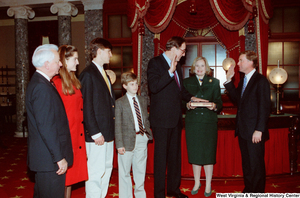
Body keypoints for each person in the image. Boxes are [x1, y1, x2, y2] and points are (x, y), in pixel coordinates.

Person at [147, 36, 204, 198]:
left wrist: (193, 98)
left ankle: (173, 189)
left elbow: (180, 91)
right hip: (161, 121)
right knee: (161, 159)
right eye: (182, 50)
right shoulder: (155, 63)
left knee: (174, 158)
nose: (184, 54)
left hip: (175, 120)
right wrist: (169, 72)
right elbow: (154, 87)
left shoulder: (178, 66)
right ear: (173, 48)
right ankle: (159, 194)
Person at [26, 44, 73, 198]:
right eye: (57, 61)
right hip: (49, 160)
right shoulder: (41, 87)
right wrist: (59, 157)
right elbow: (46, 127)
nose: (60, 64)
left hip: (45, 158)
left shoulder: (41, 82)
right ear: (46, 64)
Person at [224, 51, 271, 193]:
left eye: (241, 60)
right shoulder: (244, 80)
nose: (238, 63)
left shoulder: (260, 80)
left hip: (255, 132)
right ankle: (249, 190)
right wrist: (228, 80)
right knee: (247, 164)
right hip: (243, 130)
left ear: (251, 62)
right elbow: (238, 100)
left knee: (256, 165)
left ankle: (257, 193)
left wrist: (259, 130)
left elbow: (264, 107)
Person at [79, 38, 115, 198]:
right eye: (109, 51)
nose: (111, 55)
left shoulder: (104, 73)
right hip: (96, 135)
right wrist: (94, 133)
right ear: (99, 51)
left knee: (107, 169)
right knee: (95, 172)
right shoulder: (87, 74)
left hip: (107, 132)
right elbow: (86, 106)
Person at [52, 45, 88, 198]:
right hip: (66, 139)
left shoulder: (73, 81)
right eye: (74, 59)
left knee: (70, 181)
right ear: (64, 61)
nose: (78, 62)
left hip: (76, 137)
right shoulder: (56, 83)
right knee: (63, 181)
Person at [183, 57, 222, 197]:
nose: (199, 68)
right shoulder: (186, 82)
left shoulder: (215, 82)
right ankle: (196, 182)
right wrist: (187, 105)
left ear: (207, 68)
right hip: (193, 123)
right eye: (197, 66)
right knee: (195, 153)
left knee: (208, 154)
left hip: (208, 123)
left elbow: (219, 102)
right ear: (193, 68)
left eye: (202, 66)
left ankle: (208, 184)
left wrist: (214, 106)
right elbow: (181, 101)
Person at [115, 72, 153, 198]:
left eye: (136, 83)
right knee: (125, 172)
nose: (135, 86)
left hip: (141, 137)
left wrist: (147, 134)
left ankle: (140, 195)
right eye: (132, 84)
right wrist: (119, 144)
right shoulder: (120, 102)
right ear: (125, 86)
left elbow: (145, 118)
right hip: (126, 141)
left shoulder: (142, 100)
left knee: (140, 170)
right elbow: (118, 125)